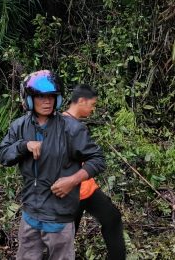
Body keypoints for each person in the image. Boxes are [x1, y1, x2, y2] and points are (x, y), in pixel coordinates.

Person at [0, 70, 105, 259]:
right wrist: (24, 145)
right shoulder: (19, 126)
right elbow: (4, 156)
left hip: (59, 216)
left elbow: (97, 159)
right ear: (30, 99)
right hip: (30, 213)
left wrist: (72, 180)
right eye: (40, 96)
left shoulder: (71, 128)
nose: (46, 101)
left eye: (51, 97)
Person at [63, 85, 126, 259]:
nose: (93, 108)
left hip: (88, 189)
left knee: (112, 218)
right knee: (64, 239)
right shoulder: (62, 125)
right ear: (81, 101)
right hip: (71, 193)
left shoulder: (75, 124)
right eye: (92, 104)